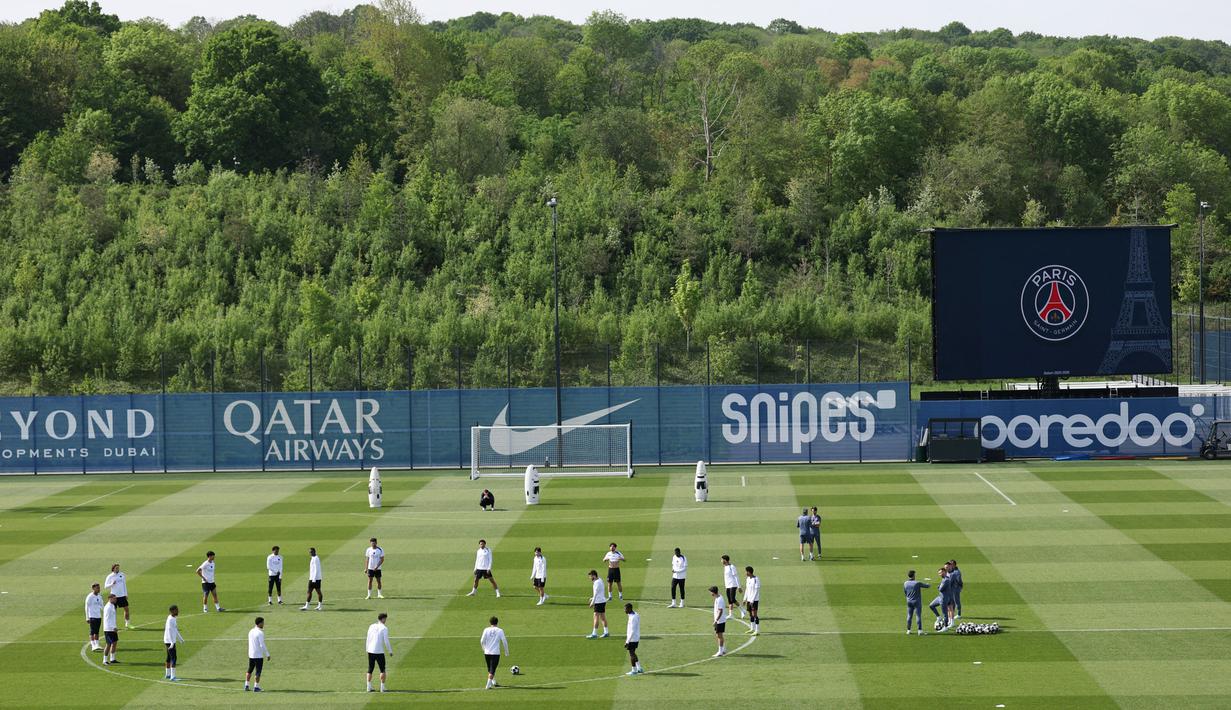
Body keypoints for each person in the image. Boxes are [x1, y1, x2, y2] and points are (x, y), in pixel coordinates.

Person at [365, 612, 393, 692]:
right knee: (382, 669)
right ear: (383, 619)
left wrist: (367, 648)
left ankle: (368, 687)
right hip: (379, 651)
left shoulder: (371, 626)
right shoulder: (384, 628)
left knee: (370, 669)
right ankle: (382, 687)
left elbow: (368, 637)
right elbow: (386, 641)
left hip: (370, 651)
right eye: (385, 619)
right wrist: (390, 651)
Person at [479, 616, 509, 690]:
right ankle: (488, 686)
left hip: (487, 652)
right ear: (497, 622)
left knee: (490, 668)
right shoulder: (500, 630)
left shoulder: (486, 629)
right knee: (492, 669)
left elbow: (482, 640)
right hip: (495, 653)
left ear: (490, 622)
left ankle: (494, 682)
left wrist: (484, 648)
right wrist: (506, 651)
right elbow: (504, 641)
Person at [245, 617, 270, 692]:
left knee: (250, 669)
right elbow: (262, 645)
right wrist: (267, 654)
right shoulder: (260, 633)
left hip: (251, 654)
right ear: (259, 623)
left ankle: (246, 685)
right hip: (258, 655)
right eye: (263, 623)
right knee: (258, 671)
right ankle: (256, 687)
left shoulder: (251, 631)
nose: (263, 624)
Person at [104, 563, 131, 628]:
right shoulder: (110, 576)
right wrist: (112, 584)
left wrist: (125, 594)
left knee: (126, 609)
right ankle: (114, 625)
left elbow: (124, 585)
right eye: (116, 568)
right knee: (114, 611)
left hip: (122, 595)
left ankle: (127, 624)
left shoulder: (122, 574)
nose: (118, 569)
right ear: (113, 569)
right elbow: (105, 586)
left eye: (118, 568)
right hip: (114, 596)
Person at [903, 570, 930, 635]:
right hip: (917, 602)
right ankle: (919, 630)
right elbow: (927, 586)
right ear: (914, 575)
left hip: (909, 601)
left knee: (909, 616)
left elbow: (905, 592)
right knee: (918, 615)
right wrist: (928, 583)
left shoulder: (905, 583)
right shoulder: (917, 583)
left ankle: (908, 630)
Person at [585, 570, 610, 639]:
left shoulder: (596, 583)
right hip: (602, 601)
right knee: (603, 617)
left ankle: (594, 634)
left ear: (594, 576)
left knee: (596, 617)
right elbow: (599, 592)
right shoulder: (600, 580)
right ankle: (606, 632)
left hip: (598, 602)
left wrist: (592, 603)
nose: (590, 578)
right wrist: (592, 598)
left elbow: (596, 594)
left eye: (590, 576)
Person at [164, 605, 185, 680]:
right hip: (170, 641)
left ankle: (167, 674)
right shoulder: (171, 619)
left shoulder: (172, 618)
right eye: (176, 610)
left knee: (169, 657)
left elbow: (175, 629)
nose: (178, 611)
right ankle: (173, 676)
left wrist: (180, 638)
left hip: (168, 640)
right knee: (174, 658)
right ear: (172, 611)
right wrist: (172, 642)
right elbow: (169, 630)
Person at [623, 603, 643, 675]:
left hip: (632, 639)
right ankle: (639, 668)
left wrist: (627, 641)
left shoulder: (633, 618)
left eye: (625, 609)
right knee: (633, 653)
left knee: (631, 654)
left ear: (629, 609)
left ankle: (634, 670)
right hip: (635, 637)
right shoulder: (635, 614)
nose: (624, 610)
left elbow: (632, 631)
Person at [85, 582, 103, 652]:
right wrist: (87, 617)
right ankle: (93, 645)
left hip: (98, 616)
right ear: (93, 588)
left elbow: (102, 606)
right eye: (97, 588)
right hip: (92, 616)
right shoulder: (90, 596)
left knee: (97, 631)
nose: (99, 589)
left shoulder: (99, 596)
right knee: (92, 631)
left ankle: (97, 645)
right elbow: (86, 607)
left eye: (99, 588)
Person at [742, 566, 760, 635]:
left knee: (754, 614)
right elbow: (747, 589)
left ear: (749, 572)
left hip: (754, 600)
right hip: (749, 600)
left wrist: (752, 600)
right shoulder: (748, 579)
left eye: (746, 571)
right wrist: (744, 599)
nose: (745, 573)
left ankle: (757, 630)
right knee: (750, 614)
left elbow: (756, 590)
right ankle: (752, 628)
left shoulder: (756, 579)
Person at [709, 586, 727, 657]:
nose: (710, 593)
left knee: (719, 636)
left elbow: (720, 611)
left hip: (720, 621)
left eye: (710, 592)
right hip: (720, 620)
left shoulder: (719, 600)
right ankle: (723, 649)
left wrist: (716, 620)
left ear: (713, 592)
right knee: (719, 635)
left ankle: (720, 651)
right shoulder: (718, 598)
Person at [102, 593, 119, 665]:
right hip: (109, 629)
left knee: (114, 643)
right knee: (108, 644)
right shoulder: (108, 607)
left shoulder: (112, 606)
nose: (116, 599)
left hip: (112, 628)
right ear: (110, 598)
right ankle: (105, 660)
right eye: (114, 598)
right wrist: (113, 627)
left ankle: (112, 658)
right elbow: (107, 619)